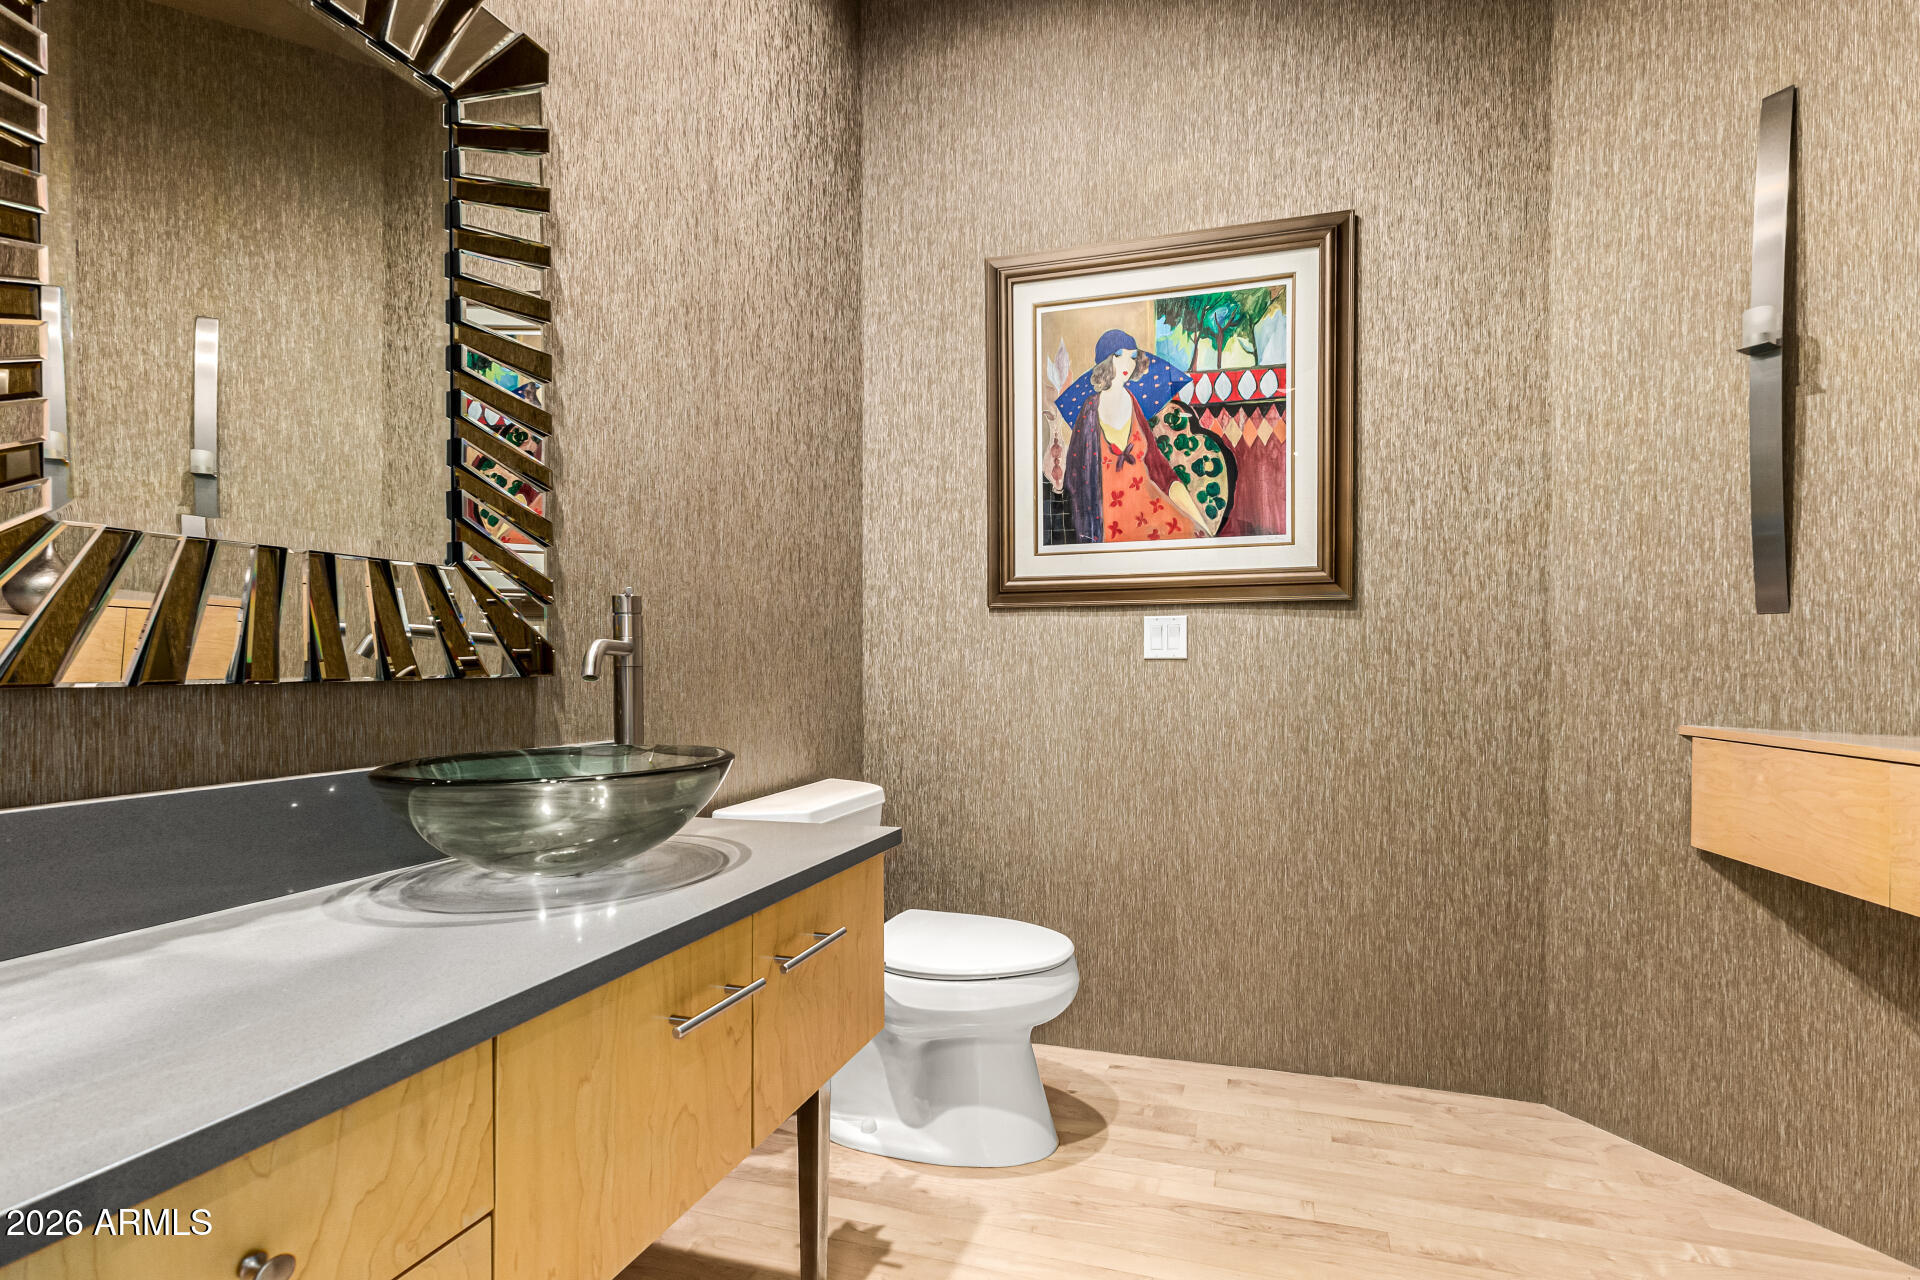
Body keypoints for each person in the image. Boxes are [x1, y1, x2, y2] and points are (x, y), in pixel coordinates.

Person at [1062, 330, 1208, 543]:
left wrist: (1197, 518)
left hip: (1149, 507)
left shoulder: (1133, 403)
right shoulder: (1089, 410)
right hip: (1106, 520)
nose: (1127, 364)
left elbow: (1159, 468)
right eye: (1119, 354)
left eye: (1132, 357)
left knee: (1188, 532)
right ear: (1105, 360)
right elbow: (1075, 478)